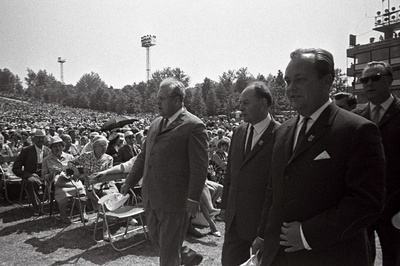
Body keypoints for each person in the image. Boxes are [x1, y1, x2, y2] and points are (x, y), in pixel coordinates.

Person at [252, 48, 386, 266]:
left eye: (300, 79)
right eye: (287, 81)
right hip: (279, 256)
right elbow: (273, 190)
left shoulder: (357, 130)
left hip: (331, 256)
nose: (290, 88)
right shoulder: (282, 132)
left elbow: (367, 203)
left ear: (327, 82)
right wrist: (263, 235)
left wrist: (307, 234)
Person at [121, 77, 209, 266]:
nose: (157, 102)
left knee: (168, 253)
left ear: (177, 100)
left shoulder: (194, 126)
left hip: (174, 201)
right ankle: (186, 254)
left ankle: (178, 255)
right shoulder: (155, 124)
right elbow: (143, 157)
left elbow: (199, 166)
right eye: (158, 98)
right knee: (155, 236)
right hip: (151, 197)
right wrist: (129, 181)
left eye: (162, 98)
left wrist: (194, 198)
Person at [220, 81, 280, 266]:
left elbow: (277, 188)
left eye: (245, 103)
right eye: (240, 103)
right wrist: (224, 207)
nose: (240, 108)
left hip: (260, 224)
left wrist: (265, 231)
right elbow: (230, 173)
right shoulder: (238, 131)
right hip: (234, 222)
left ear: (263, 103)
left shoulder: (280, 134)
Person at [352, 61, 400, 266]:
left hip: (396, 205)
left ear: (390, 79)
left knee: (394, 257)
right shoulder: (356, 118)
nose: (368, 83)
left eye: (375, 78)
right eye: (364, 80)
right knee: (362, 258)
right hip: (363, 205)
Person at [42, 136, 87, 224]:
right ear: (51, 148)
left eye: (59, 146)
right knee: (63, 192)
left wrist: (75, 171)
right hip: (58, 183)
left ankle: (83, 213)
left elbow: (77, 169)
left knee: (81, 189)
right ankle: (63, 215)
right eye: (55, 146)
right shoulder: (46, 160)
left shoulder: (69, 157)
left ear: (63, 146)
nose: (58, 148)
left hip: (72, 180)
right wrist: (52, 174)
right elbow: (44, 176)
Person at [12, 129, 51, 215]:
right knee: (31, 182)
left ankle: (54, 205)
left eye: (42, 138)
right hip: (31, 175)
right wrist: (28, 175)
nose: (41, 140)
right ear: (34, 139)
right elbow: (15, 168)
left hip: (45, 175)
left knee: (55, 179)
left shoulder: (48, 151)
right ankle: (37, 208)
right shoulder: (26, 150)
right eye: (38, 138)